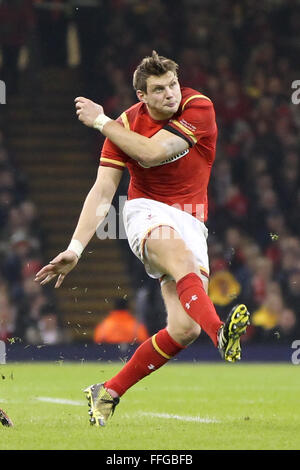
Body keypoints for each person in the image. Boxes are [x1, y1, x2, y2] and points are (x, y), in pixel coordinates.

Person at [35, 51, 250, 427]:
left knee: (184, 328)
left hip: (192, 220)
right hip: (145, 212)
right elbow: (102, 193)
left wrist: (100, 121)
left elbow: (151, 154)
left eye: (173, 85)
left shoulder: (198, 107)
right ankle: (222, 334)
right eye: (159, 89)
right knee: (181, 262)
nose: (170, 94)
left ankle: (107, 391)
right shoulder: (123, 127)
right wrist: (75, 248)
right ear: (142, 96)